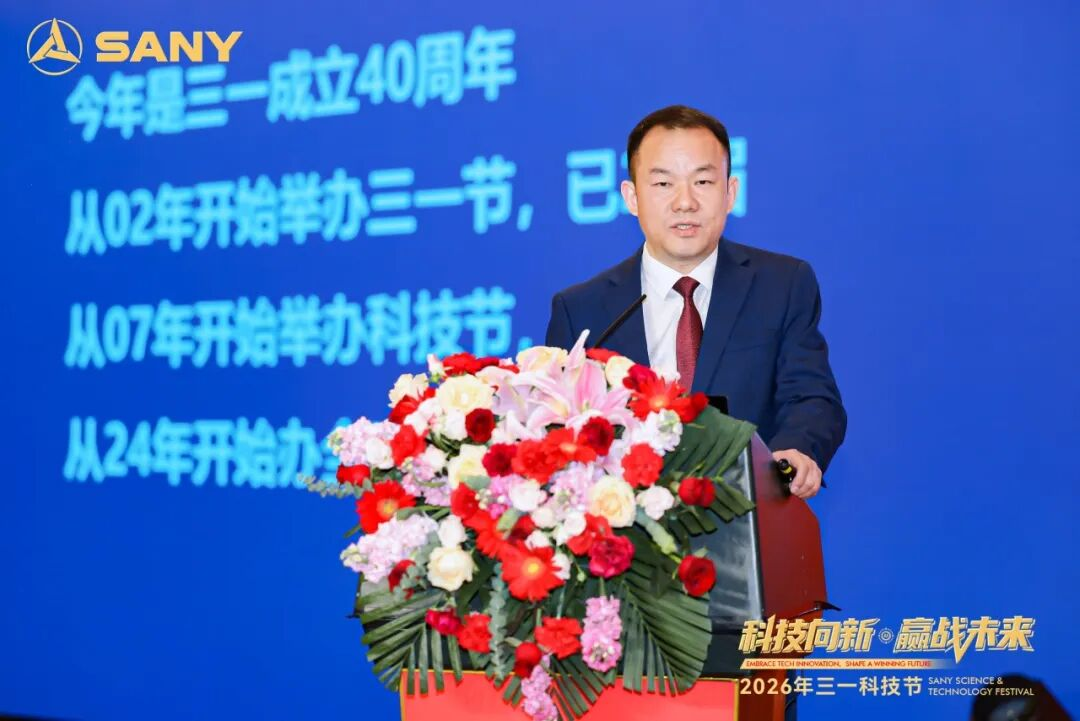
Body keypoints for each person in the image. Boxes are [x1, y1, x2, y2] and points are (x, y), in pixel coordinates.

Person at [545, 104, 846, 498]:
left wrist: (795, 450)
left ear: (730, 192)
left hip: (749, 513)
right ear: (632, 197)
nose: (684, 202)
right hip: (625, 526)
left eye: (702, 181)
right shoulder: (582, 310)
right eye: (663, 183)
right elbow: (560, 429)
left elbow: (811, 397)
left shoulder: (781, 285)